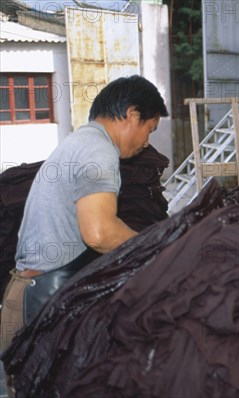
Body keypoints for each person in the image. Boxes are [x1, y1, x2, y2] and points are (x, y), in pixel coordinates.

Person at [0, 75, 168, 384]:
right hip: (43, 303)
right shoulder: (98, 151)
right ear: (132, 114)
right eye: (150, 129)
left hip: (29, 295)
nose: (147, 142)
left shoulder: (78, 142)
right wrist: (160, 249)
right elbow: (100, 233)